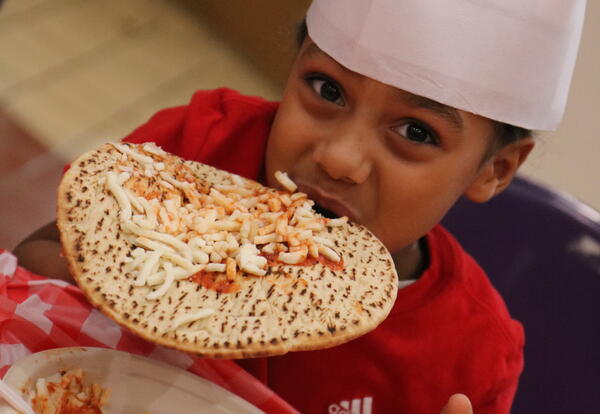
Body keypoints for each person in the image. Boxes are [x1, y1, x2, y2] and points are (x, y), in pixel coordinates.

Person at [12, 0, 586, 413]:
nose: (338, 158)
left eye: (415, 130)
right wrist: (119, 284)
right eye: (327, 90)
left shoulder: (472, 356)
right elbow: (30, 262)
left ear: (493, 170)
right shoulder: (199, 149)